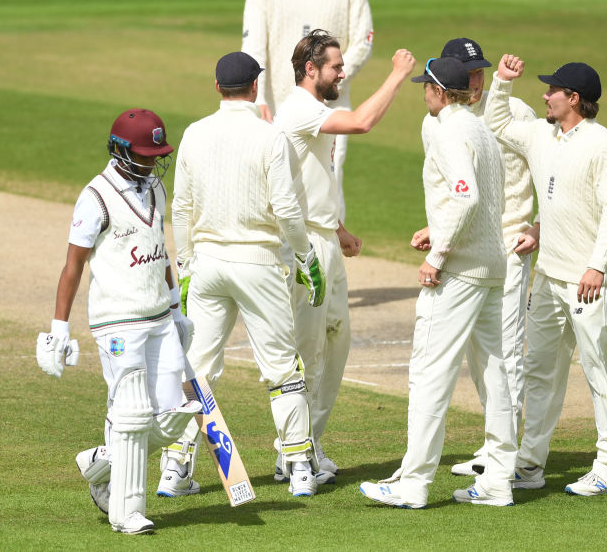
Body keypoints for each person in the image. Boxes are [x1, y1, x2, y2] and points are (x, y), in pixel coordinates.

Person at [159, 52, 326, 498]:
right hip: (260, 265)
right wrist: (306, 257)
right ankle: (299, 468)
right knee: (282, 368)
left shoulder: (194, 134)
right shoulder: (271, 137)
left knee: (195, 370)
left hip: (209, 265)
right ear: (255, 88)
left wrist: (188, 263)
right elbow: (288, 210)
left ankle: (175, 468)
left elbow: (181, 207)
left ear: (217, 88)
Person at [359, 57, 517, 508]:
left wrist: (438, 253)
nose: (422, 91)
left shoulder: (450, 131)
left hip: (461, 269)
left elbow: (465, 194)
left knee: (429, 372)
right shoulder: (480, 130)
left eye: (425, 85)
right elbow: (479, 199)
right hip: (491, 266)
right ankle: (498, 483)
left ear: (441, 92)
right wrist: (440, 228)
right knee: (493, 373)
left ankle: (413, 484)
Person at [36, 108, 200, 535]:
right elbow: (72, 265)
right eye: (146, 154)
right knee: (131, 414)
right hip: (117, 321)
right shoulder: (95, 197)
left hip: (159, 316)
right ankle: (126, 513)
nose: (153, 161)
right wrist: (59, 329)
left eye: (156, 154)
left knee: (169, 418)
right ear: (121, 150)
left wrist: (175, 307)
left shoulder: (155, 189)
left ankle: (98, 462)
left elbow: (159, 249)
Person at [272, 30, 415, 482]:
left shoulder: (314, 109)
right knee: (309, 350)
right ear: (310, 70)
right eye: (335, 66)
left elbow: (310, 179)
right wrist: (396, 76)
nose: (342, 72)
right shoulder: (299, 109)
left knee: (336, 341)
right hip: (304, 247)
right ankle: (289, 454)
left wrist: (339, 229)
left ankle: (307, 445)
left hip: (324, 238)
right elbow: (361, 123)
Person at [484, 55, 607, 496]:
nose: (544, 95)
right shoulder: (542, 136)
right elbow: (497, 125)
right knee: (539, 370)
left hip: (587, 281)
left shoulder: (603, 144)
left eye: (553, 90)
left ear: (575, 99)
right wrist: (502, 82)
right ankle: (529, 464)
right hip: (547, 277)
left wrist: (597, 265)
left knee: (599, 371)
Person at [415, 38, 539, 477]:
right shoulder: (439, 122)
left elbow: (549, 166)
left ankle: (504, 458)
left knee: (502, 352)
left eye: (481, 72)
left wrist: (538, 225)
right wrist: (438, 227)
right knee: (483, 358)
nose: (477, 81)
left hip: (506, 245)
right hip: (474, 243)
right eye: (468, 74)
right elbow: (458, 189)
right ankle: (498, 458)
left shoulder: (514, 112)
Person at [241, 0, 374, 216]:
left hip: (332, 106)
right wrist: (256, 99)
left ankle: (328, 259)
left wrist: (330, 77)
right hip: (275, 107)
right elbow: (254, 44)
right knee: (273, 185)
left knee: (328, 183)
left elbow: (363, 41)